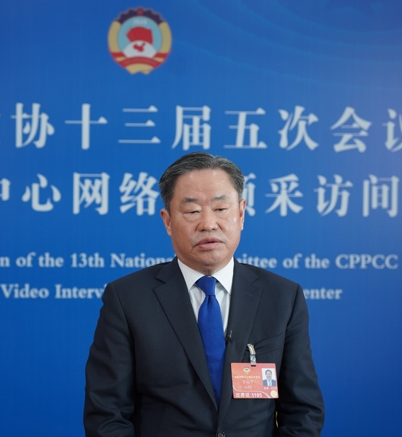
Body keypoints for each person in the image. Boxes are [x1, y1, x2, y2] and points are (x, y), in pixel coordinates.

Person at [84, 152, 324, 436]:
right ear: (168, 221)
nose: (208, 223)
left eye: (221, 208)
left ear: (241, 214)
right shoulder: (128, 298)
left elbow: (303, 411)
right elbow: (107, 414)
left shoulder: (283, 297)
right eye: (192, 211)